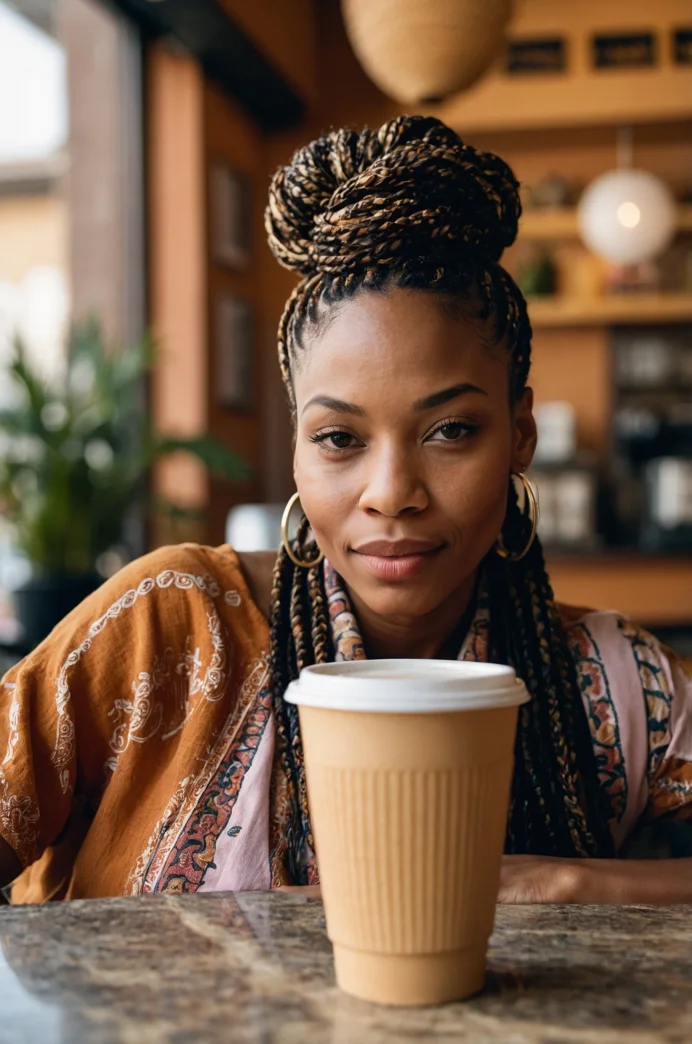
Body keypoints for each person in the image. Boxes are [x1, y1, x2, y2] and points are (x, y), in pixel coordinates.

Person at [1, 116, 691, 905]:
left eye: (452, 430)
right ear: (296, 446)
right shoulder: (168, 630)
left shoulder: (613, 681)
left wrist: (573, 883)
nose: (392, 490)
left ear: (520, 434)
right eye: (339, 437)